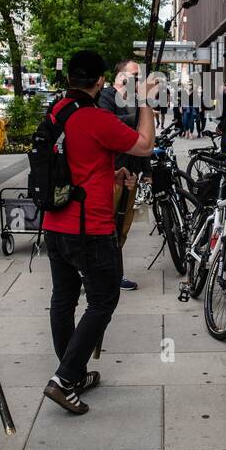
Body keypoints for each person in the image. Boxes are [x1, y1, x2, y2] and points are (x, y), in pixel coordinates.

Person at [42, 50, 154, 415]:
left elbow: (77, 159)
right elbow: (144, 145)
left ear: (70, 78)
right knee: (104, 300)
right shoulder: (94, 117)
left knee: (63, 298)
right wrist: (146, 103)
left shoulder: (57, 111)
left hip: (54, 223)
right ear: (101, 82)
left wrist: (111, 171)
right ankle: (64, 377)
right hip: (89, 226)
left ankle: (71, 372)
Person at [98, 59, 144, 290]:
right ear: (120, 76)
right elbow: (108, 123)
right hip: (112, 172)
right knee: (107, 227)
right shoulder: (106, 96)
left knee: (122, 226)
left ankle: (115, 274)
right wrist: (138, 121)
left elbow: (143, 139)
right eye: (134, 73)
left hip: (131, 173)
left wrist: (147, 171)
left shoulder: (135, 99)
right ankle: (101, 275)